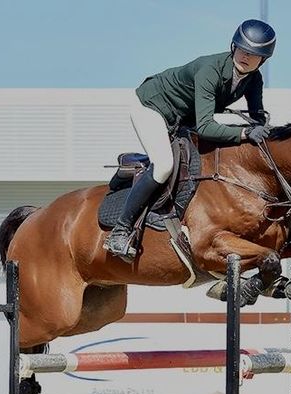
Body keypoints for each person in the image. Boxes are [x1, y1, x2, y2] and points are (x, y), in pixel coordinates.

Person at [103, 19, 277, 262]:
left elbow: (257, 116)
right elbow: (205, 126)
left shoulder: (254, 79)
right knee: (164, 165)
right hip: (153, 107)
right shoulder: (211, 70)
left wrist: (265, 132)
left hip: (183, 116)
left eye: (253, 54)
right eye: (242, 49)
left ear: (263, 60)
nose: (245, 57)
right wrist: (245, 134)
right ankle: (122, 231)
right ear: (233, 46)